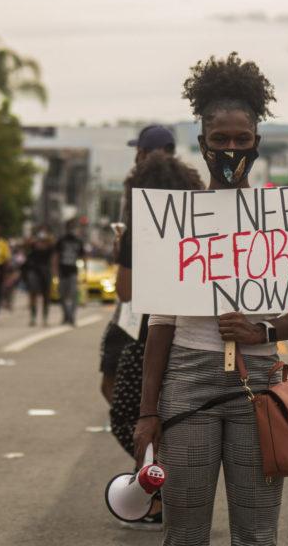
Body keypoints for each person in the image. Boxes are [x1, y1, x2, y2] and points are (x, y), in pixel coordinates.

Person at [134, 53, 288, 546]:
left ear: (257, 144)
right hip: (187, 386)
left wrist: (262, 331)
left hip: (258, 386)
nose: (232, 148)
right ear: (203, 144)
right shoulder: (178, 219)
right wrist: (147, 410)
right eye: (221, 140)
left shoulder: (284, 215)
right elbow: (160, 320)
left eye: (242, 139)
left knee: (258, 533)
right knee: (185, 533)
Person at [108, 150, 205, 531]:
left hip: (152, 328)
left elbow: (125, 290)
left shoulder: (140, 227)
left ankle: (157, 491)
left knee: (130, 415)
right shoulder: (197, 221)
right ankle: (160, 489)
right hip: (191, 330)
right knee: (172, 413)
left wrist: (122, 251)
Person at [99, 125, 178, 406]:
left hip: (140, 317)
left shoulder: (140, 209)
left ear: (142, 153)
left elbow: (124, 291)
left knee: (117, 388)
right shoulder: (187, 198)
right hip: (179, 316)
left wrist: (123, 251)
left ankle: (151, 446)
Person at [22, 227, 55, 326]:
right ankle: (33, 317)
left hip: (45, 271)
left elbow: (54, 247)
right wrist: (33, 237)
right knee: (33, 294)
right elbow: (24, 245)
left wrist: (48, 238)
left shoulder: (49, 244)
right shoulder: (33, 244)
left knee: (46, 295)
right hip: (33, 270)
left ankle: (45, 318)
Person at [55, 220, 85, 325]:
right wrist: (56, 270)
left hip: (73, 271)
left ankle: (71, 316)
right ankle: (66, 315)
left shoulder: (78, 241)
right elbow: (56, 256)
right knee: (62, 295)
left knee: (74, 295)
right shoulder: (62, 240)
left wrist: (84, 270)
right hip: (63, 271)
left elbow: (83, 256)